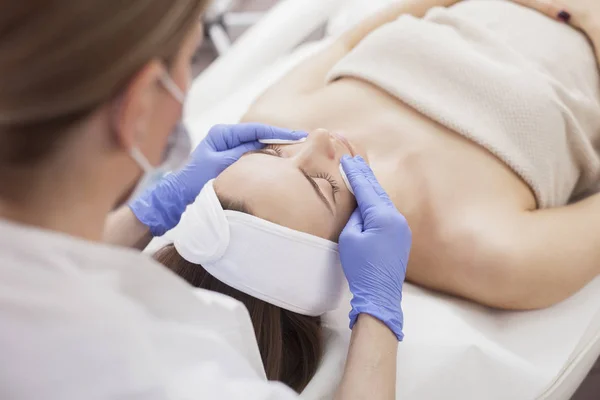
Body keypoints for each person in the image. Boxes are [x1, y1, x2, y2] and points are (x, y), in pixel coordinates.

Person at [150, 0, 600, 388]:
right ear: (344, 255)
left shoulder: (273, 115)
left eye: (272, 152)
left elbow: (349, 41)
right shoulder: (491, 253)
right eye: (321, 184)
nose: (320, 138)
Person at [0, 1, 410, 399]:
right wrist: (379, 314)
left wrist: (150, 212)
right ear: (139, 107)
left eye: (265, 150)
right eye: (190, 58)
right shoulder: (170, 381)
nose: (319, 136)